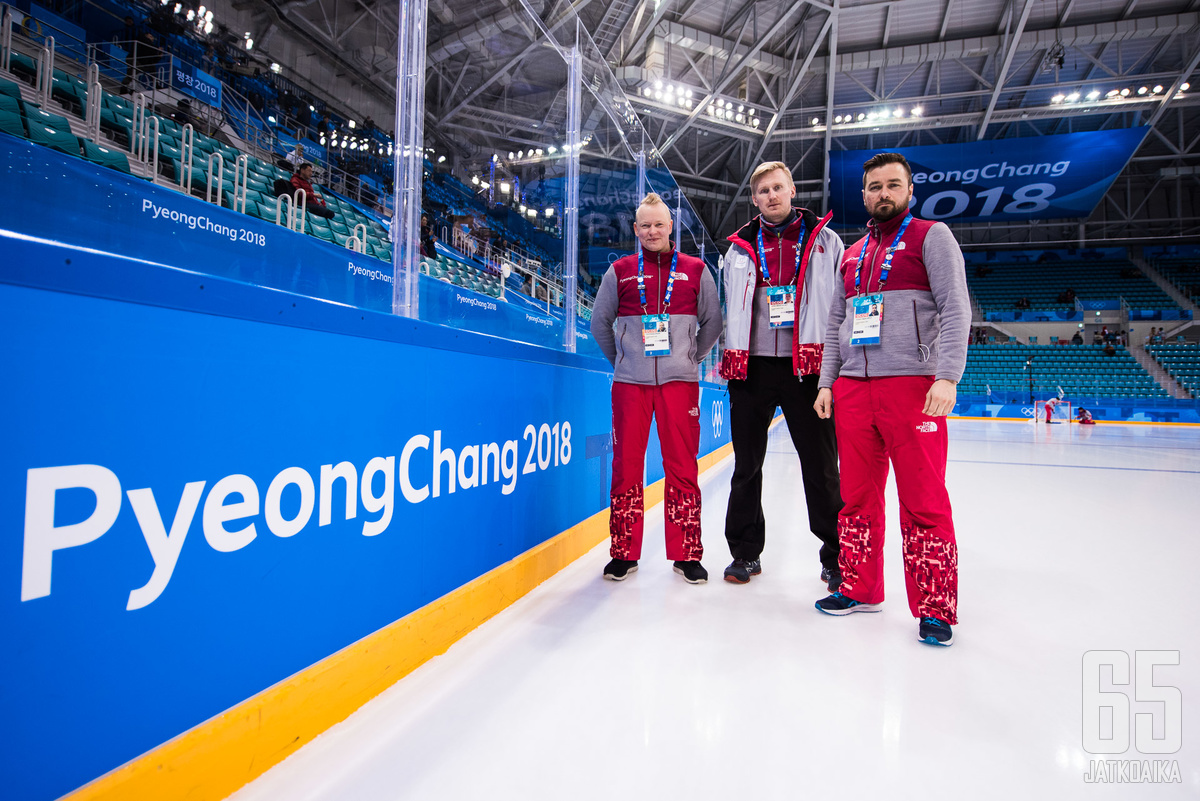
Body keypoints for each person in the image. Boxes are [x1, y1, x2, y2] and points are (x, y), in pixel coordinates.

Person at [812, 152, 970, 648]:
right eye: (875, 186)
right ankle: (860, 587)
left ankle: (935, 608)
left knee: (923, 498)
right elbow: (837, 323)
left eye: (893, 185)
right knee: (856, 495)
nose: (884, 193)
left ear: (909, 191)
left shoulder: (931, 236)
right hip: (854, 389)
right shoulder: (852, 253)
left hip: (912, 386)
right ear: (863, 194)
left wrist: (947, 376)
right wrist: (825, 382)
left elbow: (955, 308)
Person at [718, 161, 844, 589]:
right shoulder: (737, 250)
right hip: (752, 367)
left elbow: (842, 305)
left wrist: (835, 369)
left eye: (778, 187)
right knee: (746, 466)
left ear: (792, 190)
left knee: (821, 465)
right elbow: (727, 310)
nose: (771, 196)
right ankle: (744, 554)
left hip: (807, 369)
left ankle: (835, 556)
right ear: (754, 199)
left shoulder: (826, 241)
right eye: (762, 191)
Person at [590, 193, 721, 584]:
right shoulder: (621, 271)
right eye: (645, 225)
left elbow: (713, 322)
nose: (652, 231)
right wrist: (623, 361)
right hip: (630, 385)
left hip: (679, 385)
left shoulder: (696, 270)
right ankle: (623, 553)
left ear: (671, 227)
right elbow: (600, 323)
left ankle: (687, 553)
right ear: (635, 229)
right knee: (626, 468)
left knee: (682, 467)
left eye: (659, 224)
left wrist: (690, 357)